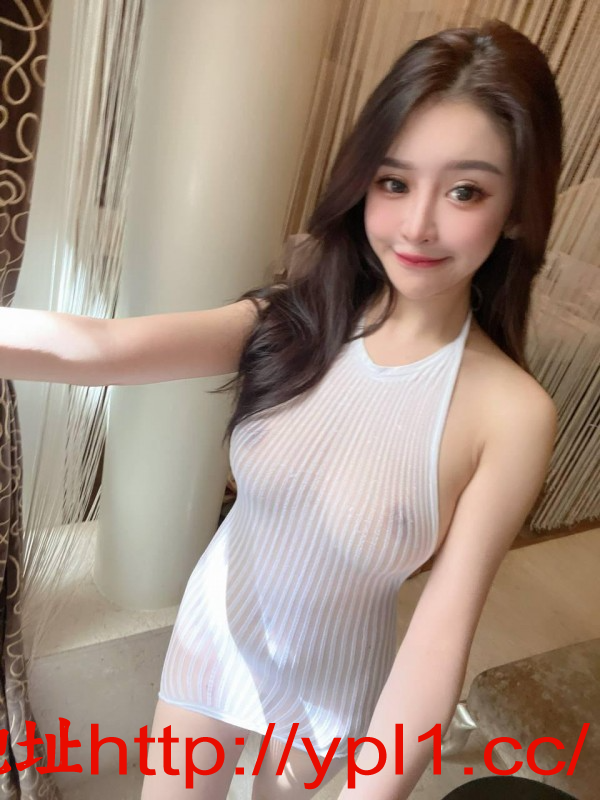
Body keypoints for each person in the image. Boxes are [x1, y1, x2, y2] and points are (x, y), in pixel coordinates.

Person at [0, 18, 563, 800]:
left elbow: (440, 639)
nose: (417, 224)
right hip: (213, 642)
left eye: (465, 190)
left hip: (331, 695)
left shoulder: (512, 414)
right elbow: (95, 347)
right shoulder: (294, 321)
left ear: (518, 209)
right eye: (394, 182)